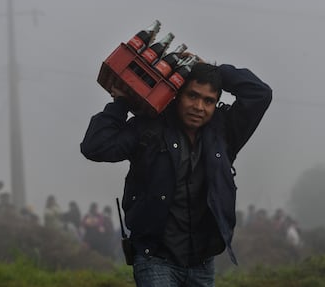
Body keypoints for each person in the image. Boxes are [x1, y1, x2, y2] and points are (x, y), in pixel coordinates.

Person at [81, 60, 272, 286]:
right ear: (177, 95)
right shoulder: (150, 127)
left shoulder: (224, 134)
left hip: (202, 261)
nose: (199, 107)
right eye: (192, 96)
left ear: (216, 104)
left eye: (209, 101)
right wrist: (119, 104)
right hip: (155, 258)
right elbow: (95, 146)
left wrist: (213, 70)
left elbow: (260, 94)